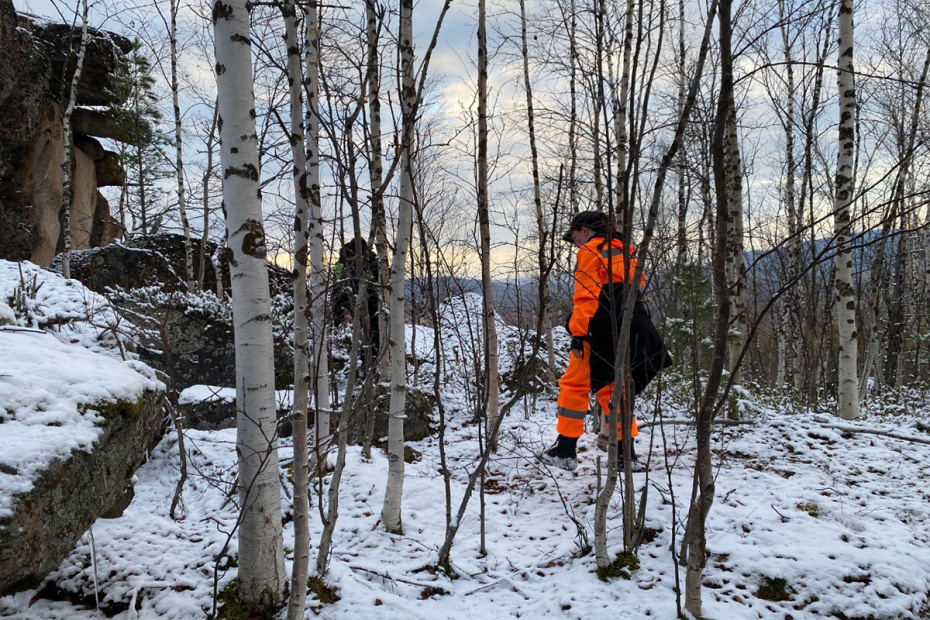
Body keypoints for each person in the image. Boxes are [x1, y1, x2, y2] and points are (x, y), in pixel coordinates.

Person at [540, 211, 646, 472]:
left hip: (595, 331)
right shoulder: (627, 251)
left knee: (574, 386)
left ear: (585, 230)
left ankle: (565, 450)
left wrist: (578, 333)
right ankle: (625, 456)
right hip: (627, 331)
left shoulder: (592, 250)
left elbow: (587, 296)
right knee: (614, 388)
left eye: (575, 237)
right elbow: (636, 286)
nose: (576, 244)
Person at [332, 237, 381, 358]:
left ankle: (336, 323)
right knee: (374, 328)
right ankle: (373, 353)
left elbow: (335, 277)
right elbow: (379, 277)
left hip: (348, 296)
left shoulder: (342, 260)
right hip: (369, 297)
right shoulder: (369, 259)